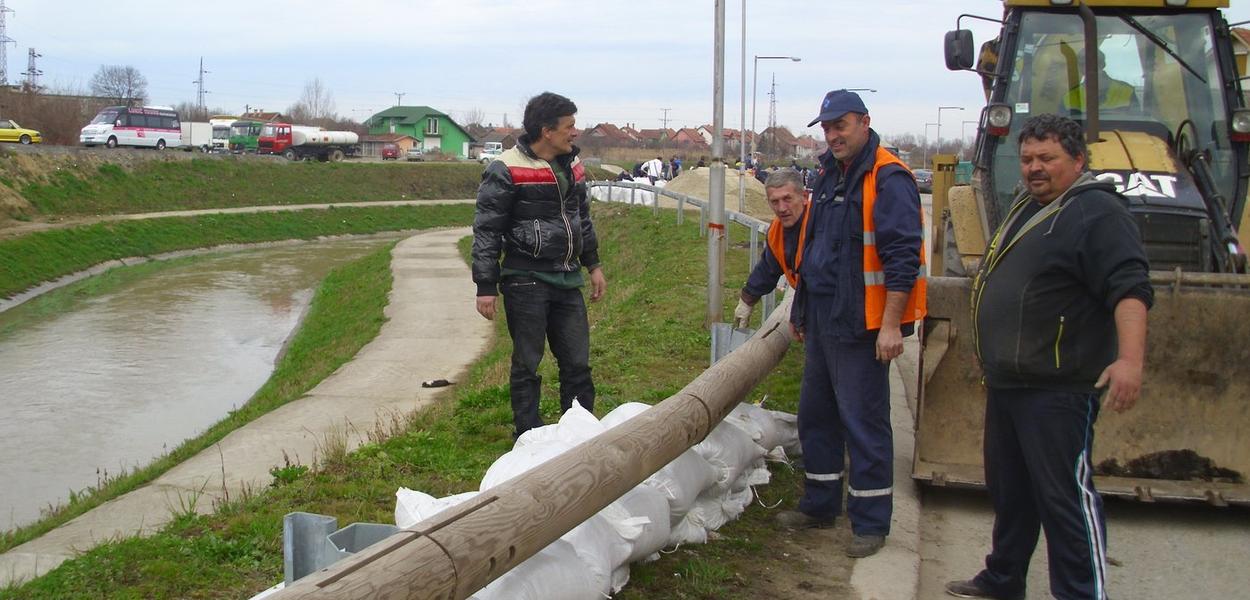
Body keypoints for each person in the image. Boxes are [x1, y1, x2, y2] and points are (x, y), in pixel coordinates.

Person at [945, 114, 1151, 600]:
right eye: (1028, 158)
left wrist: (1130, 361)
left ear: (1077, 160)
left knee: (1065, 499)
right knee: (1012, 493)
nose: (1035, 168)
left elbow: (1130, 288)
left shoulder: (1096, 213)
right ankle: (1004, 577)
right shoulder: (1028, 205)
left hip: (1058, 388)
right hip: (1010, 382)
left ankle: (1081, 593)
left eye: (1047, 159)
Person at [775, 89, 926, 559]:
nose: (832, 134)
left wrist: (890, 324)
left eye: (840, 125)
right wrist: (800, 309)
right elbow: (812, 249)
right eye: (826, 127)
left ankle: (871, 521)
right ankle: (820, 504)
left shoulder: (888, 177)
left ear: (864, 122)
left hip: (862, 324)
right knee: (816, 416)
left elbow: (902, 256)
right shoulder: (828, 175)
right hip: (823, 317)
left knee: (863, 422)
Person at [471, 91, 608, 438]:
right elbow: (487, 229)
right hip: (525, 280)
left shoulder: (574, 166)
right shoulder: (506, 168)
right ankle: (528, 437)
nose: (575, 133)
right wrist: (486, 286)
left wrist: (592, 264)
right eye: (569, 126)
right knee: (528, 364)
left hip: (567, 278)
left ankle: (578, 436)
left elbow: (582, 218)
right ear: (547, 131)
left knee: (577, 363)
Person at [732, 169, 809, 328]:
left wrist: (801, 313)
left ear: (804, 197)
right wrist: (747, 300)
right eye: (775, 201)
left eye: (787, 199)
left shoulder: (822, 224)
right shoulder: (776, 231)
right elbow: (768, 268)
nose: (781, 208)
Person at [1063, 49, 1138, 113]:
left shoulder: (1127, 91)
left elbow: (1137, 121)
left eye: (1093, 62)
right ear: (1078, 67)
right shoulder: (1069, 97)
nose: (1088, 66)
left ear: (1103, 64)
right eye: (1083, 64)